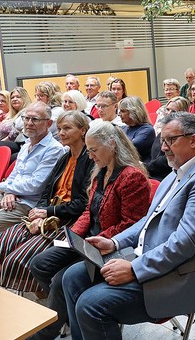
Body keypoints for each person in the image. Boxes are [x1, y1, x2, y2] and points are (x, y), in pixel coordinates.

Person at [60, 112, 195, 340]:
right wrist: (115, 242)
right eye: (162, 140)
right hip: (152, 257)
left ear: (193, 140)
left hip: (185, 274)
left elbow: (186, 242)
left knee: (91, 305)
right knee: (72, 277)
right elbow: (149, 220)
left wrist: (134, 269)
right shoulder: (177, 173)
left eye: (170, 140)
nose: (163, 148)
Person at [29, 121, 150, 339]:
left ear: (112, 144)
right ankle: (66, 312)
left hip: (110, 246)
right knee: (39, 263)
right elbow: (88, 211)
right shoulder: (101, 170)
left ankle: (46, 332)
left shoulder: (132, 176)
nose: (90, 155)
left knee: (61, 280)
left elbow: (132, 223)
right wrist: (73, 235)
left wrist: (94, 240)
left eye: (93, 150)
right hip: (88, 239)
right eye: (89, 150)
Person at [0, 111, 94, 293]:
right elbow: (47, 190)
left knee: (18, 258)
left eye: (67, 128)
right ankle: (19, 295)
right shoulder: (65, 156)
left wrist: (48, 212)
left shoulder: (89, 160)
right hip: (49, 212)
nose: (61, 133)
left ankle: (43, 301)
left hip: (69, 219)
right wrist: (40, 213)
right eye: (60, 129)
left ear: (83, 131)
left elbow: (83, 204)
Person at [0, 102, 65, 239]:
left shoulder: (54, 149)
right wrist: (9, 191)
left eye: (35, 119)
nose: (28, 123)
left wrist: (4, 187)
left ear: (49, 123)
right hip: (10, 195)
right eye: (26, 118)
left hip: (28, 204)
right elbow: (15, 174)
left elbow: (35, 186)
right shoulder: (28, 142)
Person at [145, 96, 191, 181]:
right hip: (153, 173)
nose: (168, 113)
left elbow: (167, 161)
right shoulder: (161, 133)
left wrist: (145, 166)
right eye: (167, 109)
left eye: (173, 111)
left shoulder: (184, 135)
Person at [0, 87, 32, 157]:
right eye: (12, 97)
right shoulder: (11, 115)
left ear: (24, 98)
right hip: (0, 142)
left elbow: (15, 133)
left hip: (19, 144)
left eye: (18, 97)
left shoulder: (26, 113)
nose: (14, 99)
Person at [118, 96, 155, 162]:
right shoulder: (123, 128)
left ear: (134, 112)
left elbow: (130, 148)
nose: (119, 114)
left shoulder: (147, 130)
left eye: (123, 111)